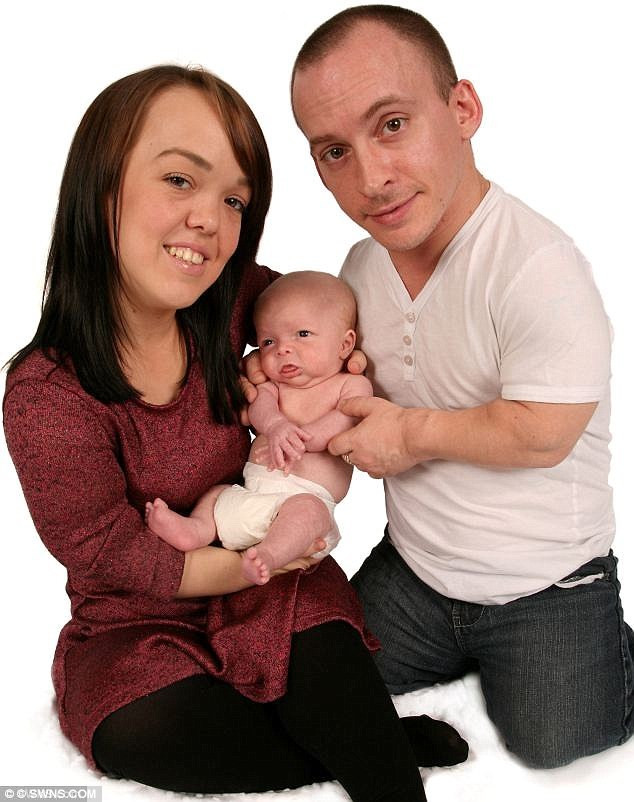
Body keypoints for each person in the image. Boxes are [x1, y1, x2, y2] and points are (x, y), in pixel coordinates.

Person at [3, 64, 468, 800]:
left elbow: (316, 319)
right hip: (140, 617)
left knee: (323, 658)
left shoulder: (232, 302)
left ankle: (370, 750)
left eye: (234, 200)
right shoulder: (47, 393)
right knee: (148, 732)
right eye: (179, 180)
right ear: (102, 188)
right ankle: (359, 742)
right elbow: (108, 550)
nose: (211, 222)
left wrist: (334, 370)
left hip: (274, 577)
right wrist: (252, 564)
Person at [287, 3, 634, 770]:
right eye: (335, 151)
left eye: (392, 125)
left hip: (545, 585)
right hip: (414, 573)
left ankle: (606, 649)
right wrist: (282, 376)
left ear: (463, 109)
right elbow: (340, 380)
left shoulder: (537, 267)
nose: (371, 178)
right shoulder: (359, 268)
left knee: (556, 745)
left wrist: (407, 435)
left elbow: (544, 433)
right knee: (310, 682)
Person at [146, 270, 373, 586]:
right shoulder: (273, 385)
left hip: (304, 505)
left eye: (302, 334)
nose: (283, 349)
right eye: (269, 341)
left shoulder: (352, 385)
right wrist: (276, 425)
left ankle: (268, 556)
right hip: (249, 496)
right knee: (217, 493)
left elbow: (346, 419)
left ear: (345, 344)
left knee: (310, 512)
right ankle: (196, 530)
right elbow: (259, 407)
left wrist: (305, 438)